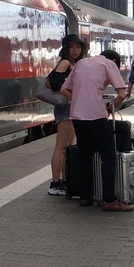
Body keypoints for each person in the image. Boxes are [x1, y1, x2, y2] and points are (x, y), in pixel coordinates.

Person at [60, 48, 133, 212]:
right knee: (108, 154)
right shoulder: (109, 64)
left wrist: (79, 100)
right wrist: (109, 108)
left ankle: (85, 197)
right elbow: (122, 94)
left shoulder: (81, 63)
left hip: (77, 116)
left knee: (84, 154)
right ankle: (109, 200)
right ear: (114, 61)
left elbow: (64, 90)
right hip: (96, 115)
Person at [46, 34, 86, 197]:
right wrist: (71, 88)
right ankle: (55, 183)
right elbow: (55, 82)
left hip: (70, 108)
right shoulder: (66, 62)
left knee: (67, 148)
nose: (75, 50)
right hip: (65, 109)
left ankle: (64, 181)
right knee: (61, 147)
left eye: (78, 47)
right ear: (66, 49)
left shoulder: (74, 63)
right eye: (72, 47)